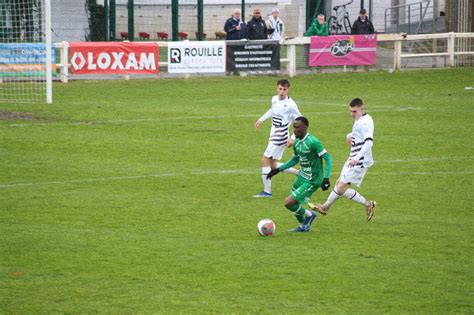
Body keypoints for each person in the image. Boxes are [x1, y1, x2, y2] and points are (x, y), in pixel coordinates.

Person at [308, 98, 376, 221]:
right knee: (339, 183)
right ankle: (326, 206)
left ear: (362, 109)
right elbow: (358, 132)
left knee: (341, 188)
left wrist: (356, 158)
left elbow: (369, 143)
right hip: (352, 158)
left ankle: (367, 204)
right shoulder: (361, 119)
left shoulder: (365, 123)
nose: (352, 114)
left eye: (354, 111)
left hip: (359, 161)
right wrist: (350, 136)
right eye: (350, 111)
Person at [267, 116, 333, 232]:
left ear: (305, 127)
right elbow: (295, 160)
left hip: (312, 180)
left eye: (297, 127)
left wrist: (326, 178)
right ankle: (303, 226)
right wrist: (278, 169)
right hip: (302, 177)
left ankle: (310, 215)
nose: (294, 130)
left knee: (288, 202)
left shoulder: (313, 142)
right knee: (293, 204)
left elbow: (328, 158)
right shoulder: (296, 142)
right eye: (294, 127)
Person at [254, 79, 302, 198]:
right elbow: (272, 110)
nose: (282, 92)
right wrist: (261, 119)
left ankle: (267, 192)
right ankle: (298, 173)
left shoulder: (291, 105)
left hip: (280, 136)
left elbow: (301, 120)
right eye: (280, 89)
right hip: (273, 134)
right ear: (277, 88)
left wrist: (293, 137)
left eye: (284, 89)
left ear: (287, 90)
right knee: (273, 165)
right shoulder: (274, 99)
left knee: (264, 161)